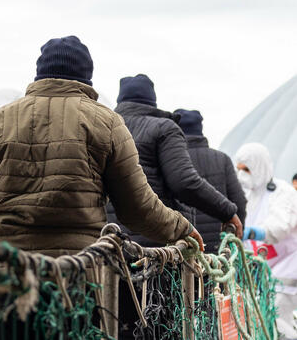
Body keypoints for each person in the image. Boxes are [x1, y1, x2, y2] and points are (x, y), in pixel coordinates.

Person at [0, 36, 204, 338]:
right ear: (86, 76)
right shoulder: (106, 122)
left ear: (39, 73)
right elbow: (137, 210)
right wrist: (182, 228)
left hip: (7, 273)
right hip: (79, 276)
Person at [107, 75, 242, 339]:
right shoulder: (163, 128)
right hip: (156, 252)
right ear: (152, 100)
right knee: (161, 326)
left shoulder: (106, 125)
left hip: (109, 250)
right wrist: (228, 212)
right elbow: (185, 182)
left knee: (117, 326)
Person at [235, 143, 297, 339]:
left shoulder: (282, 192)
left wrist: (254, 232)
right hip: (260, 272)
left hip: (284, 272)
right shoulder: (247, 195)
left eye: (246, 169)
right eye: (239, 169)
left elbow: (281, 225)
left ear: (259, 166)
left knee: (280, 325)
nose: (242, 174)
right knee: (260, 324)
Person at [174, 109, 247, 253]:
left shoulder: (172, 161)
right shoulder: (222, 159)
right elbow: (239, 202)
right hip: (219, 250)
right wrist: (236, 232)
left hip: (185, 249)